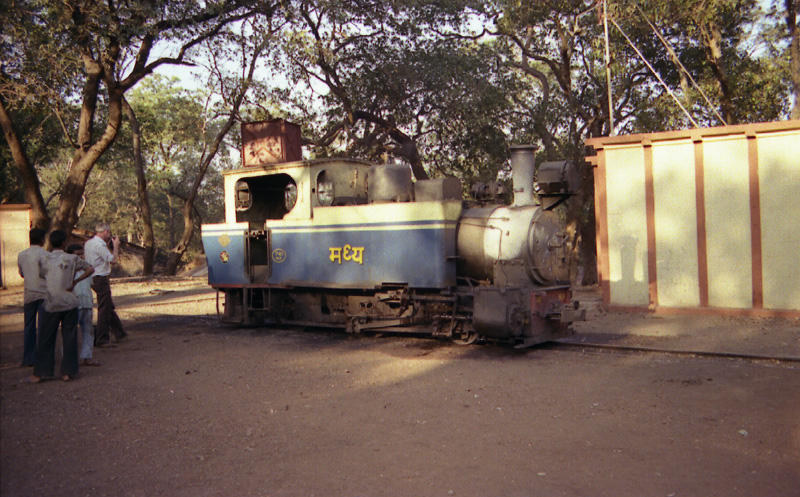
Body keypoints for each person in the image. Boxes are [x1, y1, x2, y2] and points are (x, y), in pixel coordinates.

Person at [28, 230, 94, 383]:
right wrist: (75, 282)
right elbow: (90, 269)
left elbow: (39, 276)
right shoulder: (72, 258)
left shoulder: (44, 259)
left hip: (51, 302)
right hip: (70, 301)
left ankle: (41, 372)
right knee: (69, 337)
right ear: (64, 243)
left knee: (46, 338)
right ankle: (68, 372)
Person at [85, 222, 127, 346]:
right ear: (105, 232)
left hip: (92, 277)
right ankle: (102, 338)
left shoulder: (89, 243)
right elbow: (113, 260)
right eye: (108, 232)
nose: (109, 235)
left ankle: (119, 332)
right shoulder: (100, 246)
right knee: (104, 307)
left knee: (108, 305)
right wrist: (116, 246)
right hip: (100, 277)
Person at [17, 228, 48, 367]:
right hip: (43, 293)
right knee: (43, 326)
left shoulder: (22, 255)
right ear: (42, 239)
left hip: (29, 293)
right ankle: (42, 357)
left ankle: (28, 357)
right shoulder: (45, 254)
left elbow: (22, 273)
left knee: (29, 326)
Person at [66, 244, 101, 367]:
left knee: (88, 331)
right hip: (73, 304)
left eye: (82, 254)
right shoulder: (66, 270)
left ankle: (87, 356)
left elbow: (90, 285)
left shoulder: (86, 270)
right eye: (77, 255)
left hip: (86, 303)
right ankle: (71, 359)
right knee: (70, 333)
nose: (80, 257)